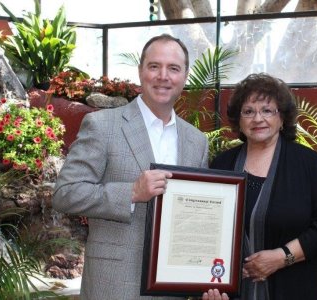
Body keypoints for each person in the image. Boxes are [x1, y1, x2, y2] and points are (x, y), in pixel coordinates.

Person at [53, 34, 228, 300]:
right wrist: (131, 193)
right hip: (112, 284)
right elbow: (65, 193)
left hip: (173, 289)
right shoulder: (102, 126)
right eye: (154, 66)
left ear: (185, 77)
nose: (163, 76)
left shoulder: (197, 141)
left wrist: (205, 278)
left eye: (173, 68)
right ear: (140, 72)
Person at [210, 73, 317, 299]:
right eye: (248, 111)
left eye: (267, 110)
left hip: (293, 288)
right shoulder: (222, 164)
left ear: (282, 118)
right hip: (231, 291)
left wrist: (282, 257)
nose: (257, 118)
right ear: (239, 121)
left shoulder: (309, 164)